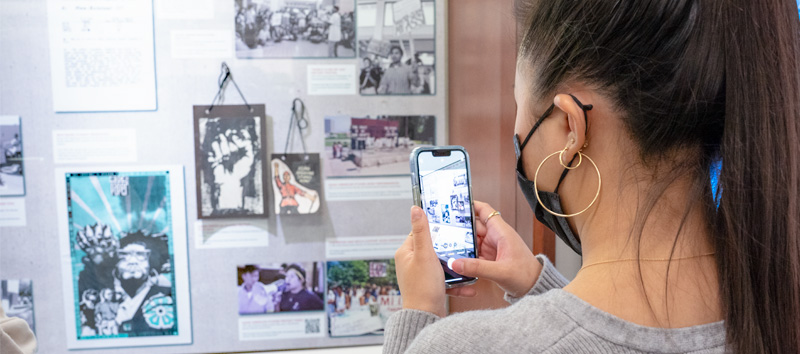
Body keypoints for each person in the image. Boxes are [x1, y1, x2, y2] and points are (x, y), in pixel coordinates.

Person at [385, 1, 800, 353]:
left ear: (570, 126)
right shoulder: (777, 314)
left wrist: (420, 314)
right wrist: (537, 283)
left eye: (517, 98)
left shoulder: (464, 347)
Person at [112, 232, 175, 335]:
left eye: (140, 255)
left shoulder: (166, 298)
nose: (132, 261)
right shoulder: (106, 299)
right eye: (125, 255)